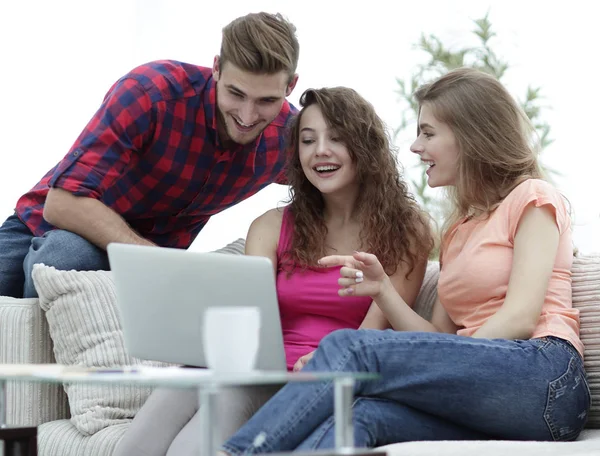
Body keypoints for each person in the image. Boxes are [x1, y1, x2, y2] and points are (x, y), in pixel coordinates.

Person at [219, 68, 591, 454]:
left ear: (470, 134)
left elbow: (521, 317)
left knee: (350, 349)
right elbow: (438, 341)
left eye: (428, 133)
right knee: (359, 416)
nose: (415, 147)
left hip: (544, 377)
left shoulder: (533, 197)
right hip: (482, 387)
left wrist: (440, 361)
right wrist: (384, 292)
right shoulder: (457, 230)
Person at [113, 86, 434, 456]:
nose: (320, 151)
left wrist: (327, 358)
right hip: (260, 369)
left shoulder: (407, 230)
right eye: (308, 140)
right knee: (172, 396)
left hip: (329, 378)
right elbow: (252, 315)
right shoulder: (270, 226)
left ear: (366, 147)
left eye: (336, 138)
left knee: (207, 425)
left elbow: (369, 335)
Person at [0, 12, 300, 299]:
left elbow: (337, 187)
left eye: (266, 100)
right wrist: (155, 260)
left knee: (61, 256)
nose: (248, 115)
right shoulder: (151, 93)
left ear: (290, 86)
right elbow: (61, 203)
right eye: (236, 94)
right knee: (62, 255)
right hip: (41, 225)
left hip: (134, 260)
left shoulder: (291, 138)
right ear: (217, 68)